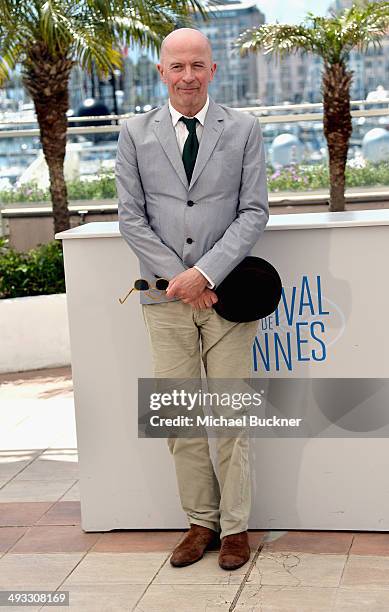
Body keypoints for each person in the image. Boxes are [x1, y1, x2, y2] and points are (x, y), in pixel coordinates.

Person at [115, 27, 269, 570]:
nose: (187, 76)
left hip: (228, 300)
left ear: (212, 70)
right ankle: (199, 522)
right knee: (180, 419)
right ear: (162, 73)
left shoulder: (245, 128)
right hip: (165, 302)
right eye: (176, 67)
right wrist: (179, 279)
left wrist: (204, 274)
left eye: (197, 65)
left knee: (230, 418)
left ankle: (235, 529)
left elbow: (254, 211)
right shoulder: (134, 132)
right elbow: (130, 217)